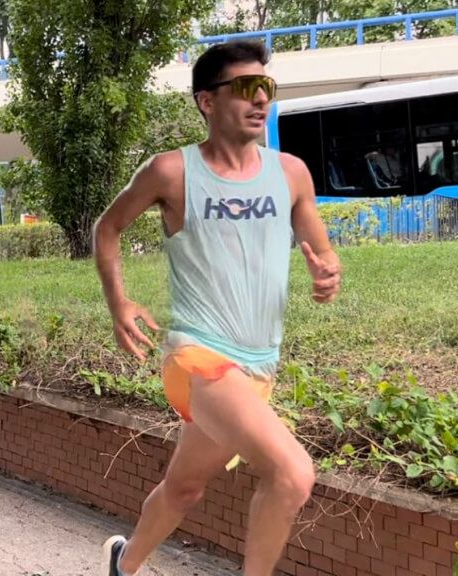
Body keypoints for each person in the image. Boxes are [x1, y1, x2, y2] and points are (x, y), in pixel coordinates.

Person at [93, 41, 342, 576]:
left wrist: (327, 274)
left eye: (267, 90)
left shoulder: (291, 174)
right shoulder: (171, 172)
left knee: (183, 488)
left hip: (256, 368)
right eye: (247, 89)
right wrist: (120, 301)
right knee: (293, 475)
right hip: (196, 358)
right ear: (207, 101)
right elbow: (107, 228)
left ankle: (123, 563)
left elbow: (324, 253)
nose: (261, 101)